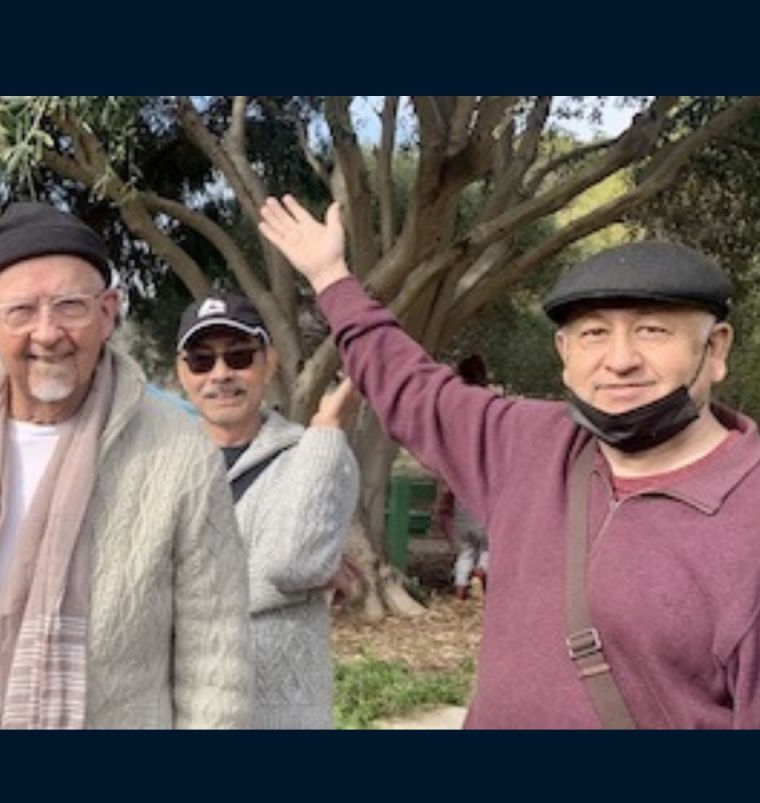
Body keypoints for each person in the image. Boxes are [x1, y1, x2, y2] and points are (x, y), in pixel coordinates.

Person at [260, 194, 760, 729]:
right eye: (594, 333)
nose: (619, 360)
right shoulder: (526, 444)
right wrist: (331, 278)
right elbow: (410, 386)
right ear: (565, 355)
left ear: (715, 350)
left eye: (652, 331)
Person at [0, 201, 253, 729]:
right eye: (21, 311)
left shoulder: (178, 455)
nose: (47, 333)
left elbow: (216, 659)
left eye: (70, 306)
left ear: (107, 312)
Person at [174, 291, 360, 728]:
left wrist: (327, 430)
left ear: (269, 361)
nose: (221, 375)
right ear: (183, 373)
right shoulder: (157, 465)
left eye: (239, 357)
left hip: (281, 717)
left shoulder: (316, 456)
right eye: (202, 362)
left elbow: (293, 564)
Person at [432, 354, 491, 600]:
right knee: (490, 546)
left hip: (460, 497)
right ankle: (481, 574)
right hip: (483, 498)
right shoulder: (489, 403)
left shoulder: (452, 404)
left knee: (465, 549)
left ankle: (460, 589)